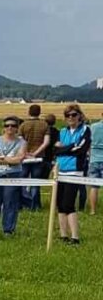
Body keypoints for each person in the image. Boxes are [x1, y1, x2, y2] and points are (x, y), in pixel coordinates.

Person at [53, 104, 90, 245]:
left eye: (74, 115)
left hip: (74, 171)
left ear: (80, 115)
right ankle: (63, 235)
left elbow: (81, 149)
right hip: (60, 170)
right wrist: (68, 148)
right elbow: (54, 150)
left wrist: (63, 148)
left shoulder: (85, 130)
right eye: (68, 115)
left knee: (69, 204)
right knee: (60, 204)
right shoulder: (62, 131)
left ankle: (75, 237)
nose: (71, 118)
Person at [0, 117, 27, 235]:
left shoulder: (22, 142)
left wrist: (2, 159)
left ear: (17, 128)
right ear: (3, 128)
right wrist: (10, 160)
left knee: (11, 202)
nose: (10, 128)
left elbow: (19, 160)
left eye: (13, 125)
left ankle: (8, 230)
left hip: (13, 174)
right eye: (7, 125)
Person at [19, 104, 51, 211]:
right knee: (35, 182)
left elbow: (19, 142)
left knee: (22, 181)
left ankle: (23, 203)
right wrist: (36, 153)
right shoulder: (44, 125)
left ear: (29, 112)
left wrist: (26, 153)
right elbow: (46, 142)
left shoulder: (23, 125)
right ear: (39, 112)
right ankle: (35, 205)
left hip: (25, 157)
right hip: (39, 157)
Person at [87, 110, 103, 216]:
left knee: (94, 187)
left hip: (94, 159)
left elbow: (88, 142)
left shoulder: (92, 127)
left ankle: (92, 210)